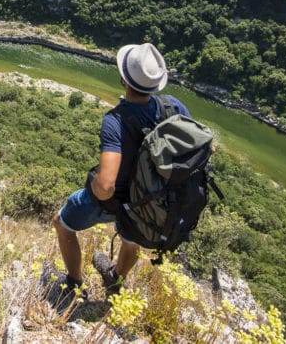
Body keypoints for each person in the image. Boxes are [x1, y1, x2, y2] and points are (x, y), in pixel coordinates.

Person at [51, 42, 189, 300]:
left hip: (118, 201)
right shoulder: (174, 107)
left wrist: (93, 183)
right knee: (131, 238)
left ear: (123, 79)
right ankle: (115, 279)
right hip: (153, 200)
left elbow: (105, 188)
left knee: (63, 223)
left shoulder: (115, 121)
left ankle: (74, 281)